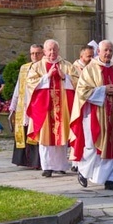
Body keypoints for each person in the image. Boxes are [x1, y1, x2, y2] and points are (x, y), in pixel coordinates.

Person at [70, 40, 113, 191]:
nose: (108, 53)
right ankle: (83, 172)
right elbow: (82, 91)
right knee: (92, 147)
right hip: (95, 115)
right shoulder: (90, 69)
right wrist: (103, 90)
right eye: (106, 50)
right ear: (99, 52)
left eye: (111, 50)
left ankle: (112, 180)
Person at [25, 39, 79, 177]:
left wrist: (64, 77)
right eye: (49, 50)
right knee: (46, 137)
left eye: (54, 49)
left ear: (58, 50)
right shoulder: (37, 66)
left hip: (62, 107)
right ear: (44, 51)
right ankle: (47, 167)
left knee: (61, 135)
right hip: (45, 107)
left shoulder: (66, 65)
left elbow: (78, 82)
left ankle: (61, 166)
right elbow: (30, 83)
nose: (52, 52)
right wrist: (46, 77)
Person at [9, 45, 43, 168]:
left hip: (38, 105)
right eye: (32, 53)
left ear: (43, 53)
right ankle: (25, 160)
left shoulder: (44, 67)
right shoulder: (24, 68)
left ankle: (37, 162)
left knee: (36, 133)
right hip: (23, 105)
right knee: (24, 132)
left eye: (38, 53)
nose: (35, 56)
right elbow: (18, 88)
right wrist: (12, 107)